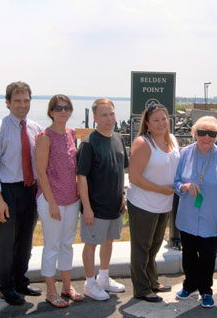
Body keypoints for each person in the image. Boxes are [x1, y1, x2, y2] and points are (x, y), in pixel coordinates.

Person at [0, 82, 42, 306]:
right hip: (7, 191)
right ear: (8, 103)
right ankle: (5, 286)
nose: (22, 105)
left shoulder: (35, 128)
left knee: (25, 240)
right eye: (17, 101)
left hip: (30, 190)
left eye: (26, 100)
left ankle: (20, 279)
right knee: (6, 242)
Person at [173, 116, 217, 309]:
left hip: (211, 218)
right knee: (188, 254)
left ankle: (206, 290)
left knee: (208, 256)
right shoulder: (185, 153)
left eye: (212, 133)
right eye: (202, 133)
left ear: (216, 136)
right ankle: (189, 285)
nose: (206, 137)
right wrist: (184, 186)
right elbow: (176, 182)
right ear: (194, 134)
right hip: (188, 216)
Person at [127, 103, 180, 303]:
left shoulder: (173, 139)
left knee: (154, 246)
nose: (161, 123)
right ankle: (141, 289)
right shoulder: (143, 142)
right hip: (143, 204)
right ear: (147, 124)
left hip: (164, 203)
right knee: (141, 248)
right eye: (156, 120)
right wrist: (161, 190)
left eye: (164, 118)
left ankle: (152, 281)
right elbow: (134, 177)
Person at [34, 94, 83, 308]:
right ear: (51, 111)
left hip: (71, 199)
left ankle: (66, 286)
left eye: (67, 107)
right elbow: (41, 173)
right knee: (52, 245)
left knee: (67, 244)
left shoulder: (71, 133)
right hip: (51, 199)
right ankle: (51, 291)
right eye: (58, 108)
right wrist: (51, 202)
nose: (63, 111)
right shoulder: (45, 137)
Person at [77, 98, 128, 301]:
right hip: (95, 207)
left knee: (109, 241)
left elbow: (120, 170)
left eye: (111, 114)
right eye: (104, 115)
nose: (109, 119)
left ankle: (104, 277)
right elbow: (81, 177)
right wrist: (87, 207)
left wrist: (123, 195)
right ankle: (90, 283)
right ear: (95, 118)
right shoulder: (89, 143)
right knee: (91, 244)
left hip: (114, 205)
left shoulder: (118, 138)